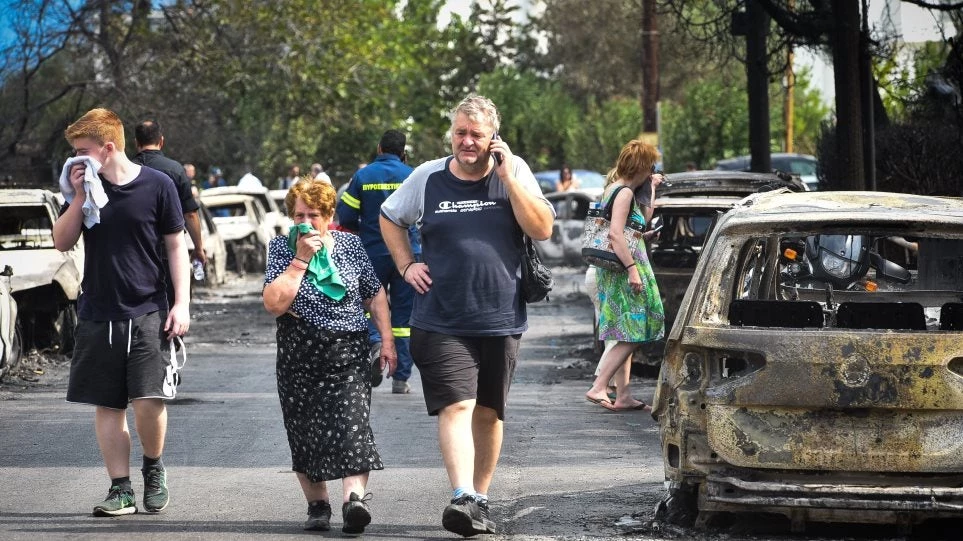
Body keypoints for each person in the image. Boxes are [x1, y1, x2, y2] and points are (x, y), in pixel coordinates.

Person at [379, 95, 554, 537]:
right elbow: (389, 217)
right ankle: (461, 496)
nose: (467, 141)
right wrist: (405, 265)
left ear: (493, 137)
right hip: (440, 318)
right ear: (451, 135)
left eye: (476, 134)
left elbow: (542, 229)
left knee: (490, 413)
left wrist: (508, 177)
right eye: (460, 132)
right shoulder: (428, 176)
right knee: (457, 405)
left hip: (499, 316)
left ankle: (480, 497)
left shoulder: (514, 172)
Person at [52, 108, 190, 517]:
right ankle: (120, 488)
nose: (75, 160)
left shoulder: (158, 185)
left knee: (148, 400)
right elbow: (62, 241)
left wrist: (181, 303)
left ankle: (153, 469)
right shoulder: (86, 189)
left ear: (108, 148)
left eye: (82, 151)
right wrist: (78, 196)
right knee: (108, 404)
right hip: (97, 309)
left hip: (149, 308)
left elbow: (175, 245)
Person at [262, 178, 397, 535]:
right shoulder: (280, 248)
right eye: (299, 215)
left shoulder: (351, 246)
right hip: (298, 350)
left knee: (352, 424)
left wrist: (387, 340)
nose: (306, 223)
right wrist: (300, 260)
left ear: (330, 216)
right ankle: (317, 506)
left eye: (314, 215)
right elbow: (274, 304)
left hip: (347, 349)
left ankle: (354, 502)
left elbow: (374, 294)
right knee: (304, 429)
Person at [584, 138, 665, 412]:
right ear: (641, 166)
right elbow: (615, 234)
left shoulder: (615, 189)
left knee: (626, 330)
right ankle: (599, 386)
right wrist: (632, 270)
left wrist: (651, 189)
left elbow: (637, 223)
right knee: (636, 330)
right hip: (624, 270)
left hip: (617, 268)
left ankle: (622, 395)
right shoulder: (624, 193)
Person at [336, 129, 419, 395]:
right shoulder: (414, 176)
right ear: (403, 153)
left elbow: (346, 215)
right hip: (408, 257)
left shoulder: (363, 176)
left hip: (372, 253)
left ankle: (374, 343)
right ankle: (401, 378)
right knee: (404, 319)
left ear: (379, 148)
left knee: (369, 305)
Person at [132, 119, 206, 301]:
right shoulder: (174, 170)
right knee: (173, 306)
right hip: (168, 252)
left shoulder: (126, 170)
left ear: (136, 142)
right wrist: (198, 248)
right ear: (161, 140)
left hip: (134, 254)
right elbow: (190, 213)